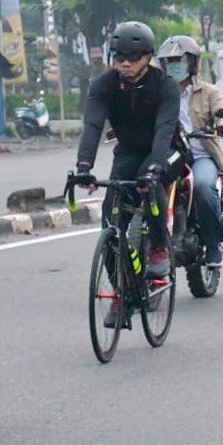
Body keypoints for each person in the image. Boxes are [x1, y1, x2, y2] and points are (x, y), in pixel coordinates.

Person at [76, 21, 179, 282]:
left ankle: (158, 247)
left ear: (148, 57)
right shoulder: (103, 86)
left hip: (166, 150)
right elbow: (92, 125)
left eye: (133, 57)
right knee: (110, 226)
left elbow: (164, 130)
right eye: (119, 57)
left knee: (149, 182)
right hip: (129, 151)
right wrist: (84, 166)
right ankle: (123, 293)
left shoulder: (165, 85)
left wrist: (156, 166)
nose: (125, 63)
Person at [156, 35, 223, 267]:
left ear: (193, 63)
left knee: (203, 188)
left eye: (179, 60)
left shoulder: (209, 92)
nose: (174, 65)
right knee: (148, 184)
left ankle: (213, 243)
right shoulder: (159, 92)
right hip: (170, 154)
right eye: (169, 61)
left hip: (200, 156)